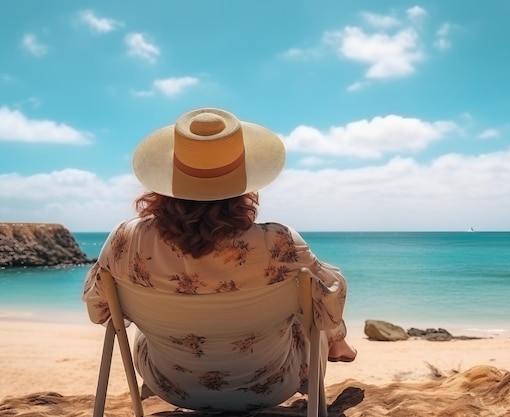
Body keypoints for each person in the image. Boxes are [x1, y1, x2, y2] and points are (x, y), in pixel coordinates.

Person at [82, 107, 356, 412]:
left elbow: (100, 312)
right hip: (272, 385)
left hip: (171, 385)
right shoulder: (278, 243)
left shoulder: (125, 239)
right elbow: (330, 310)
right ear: (244, 182)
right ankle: (337, 345)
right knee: (312, 310)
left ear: (167, 180)